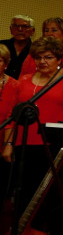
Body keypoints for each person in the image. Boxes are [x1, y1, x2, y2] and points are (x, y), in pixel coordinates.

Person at [2, 37, 63, 235]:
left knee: (54, 201)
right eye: (38, 57)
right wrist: (8, 144)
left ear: (58, 58)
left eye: (48, 57)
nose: (42, 61)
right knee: (23, 198)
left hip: (57, 149)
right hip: (25, 147)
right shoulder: (24, 80)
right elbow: (11, 117)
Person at [20, 17, 63, 81]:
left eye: (54, 30)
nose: (49, 34)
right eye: (46, 30)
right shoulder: (33, 55)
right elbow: (22, 79)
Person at [0, 45, 19, 199]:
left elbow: (11, 117)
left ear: (6, 63)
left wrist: (7, 145)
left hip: (2, 139)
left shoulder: (14, 85)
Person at [1, 15, 35, 79]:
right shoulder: (1, 46)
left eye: (25, 26)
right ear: (11, 29)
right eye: (15, 26)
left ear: (32, 31)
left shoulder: (36, 50)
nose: (20, 29)